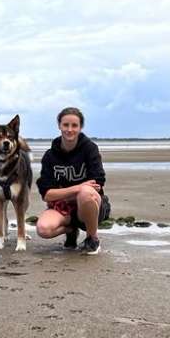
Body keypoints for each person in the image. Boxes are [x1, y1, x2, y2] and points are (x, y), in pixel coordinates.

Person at [35, 107, 110, 255]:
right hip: (62, 207)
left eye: (74, 125)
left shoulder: (90, 149)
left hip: (90, 207)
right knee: (43, 229)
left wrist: (70, 191)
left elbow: (97, 185)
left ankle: (92, 239)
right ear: (59, 126)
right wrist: (77, 187)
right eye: (65, 125)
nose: (70, 129)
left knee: (86, 193)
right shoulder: (50, 156)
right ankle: (71, 230)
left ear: (80, 127)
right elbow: (47, 194)